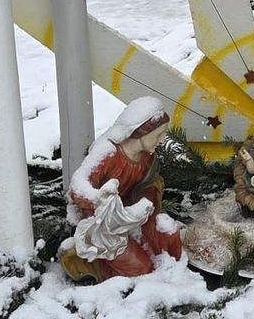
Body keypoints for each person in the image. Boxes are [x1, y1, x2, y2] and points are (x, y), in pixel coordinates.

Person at [58, 98, 183, 281]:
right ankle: (85, 260)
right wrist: (100, 198)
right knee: (140, 268)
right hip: (101, 221)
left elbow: (147, 184)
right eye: (158, 134)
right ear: (140, 131)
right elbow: (78, 185)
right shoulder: (108, 152)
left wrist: (144, 202)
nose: (162, 140)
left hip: (128, 214)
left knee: (166, 244)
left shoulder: (146, 157)